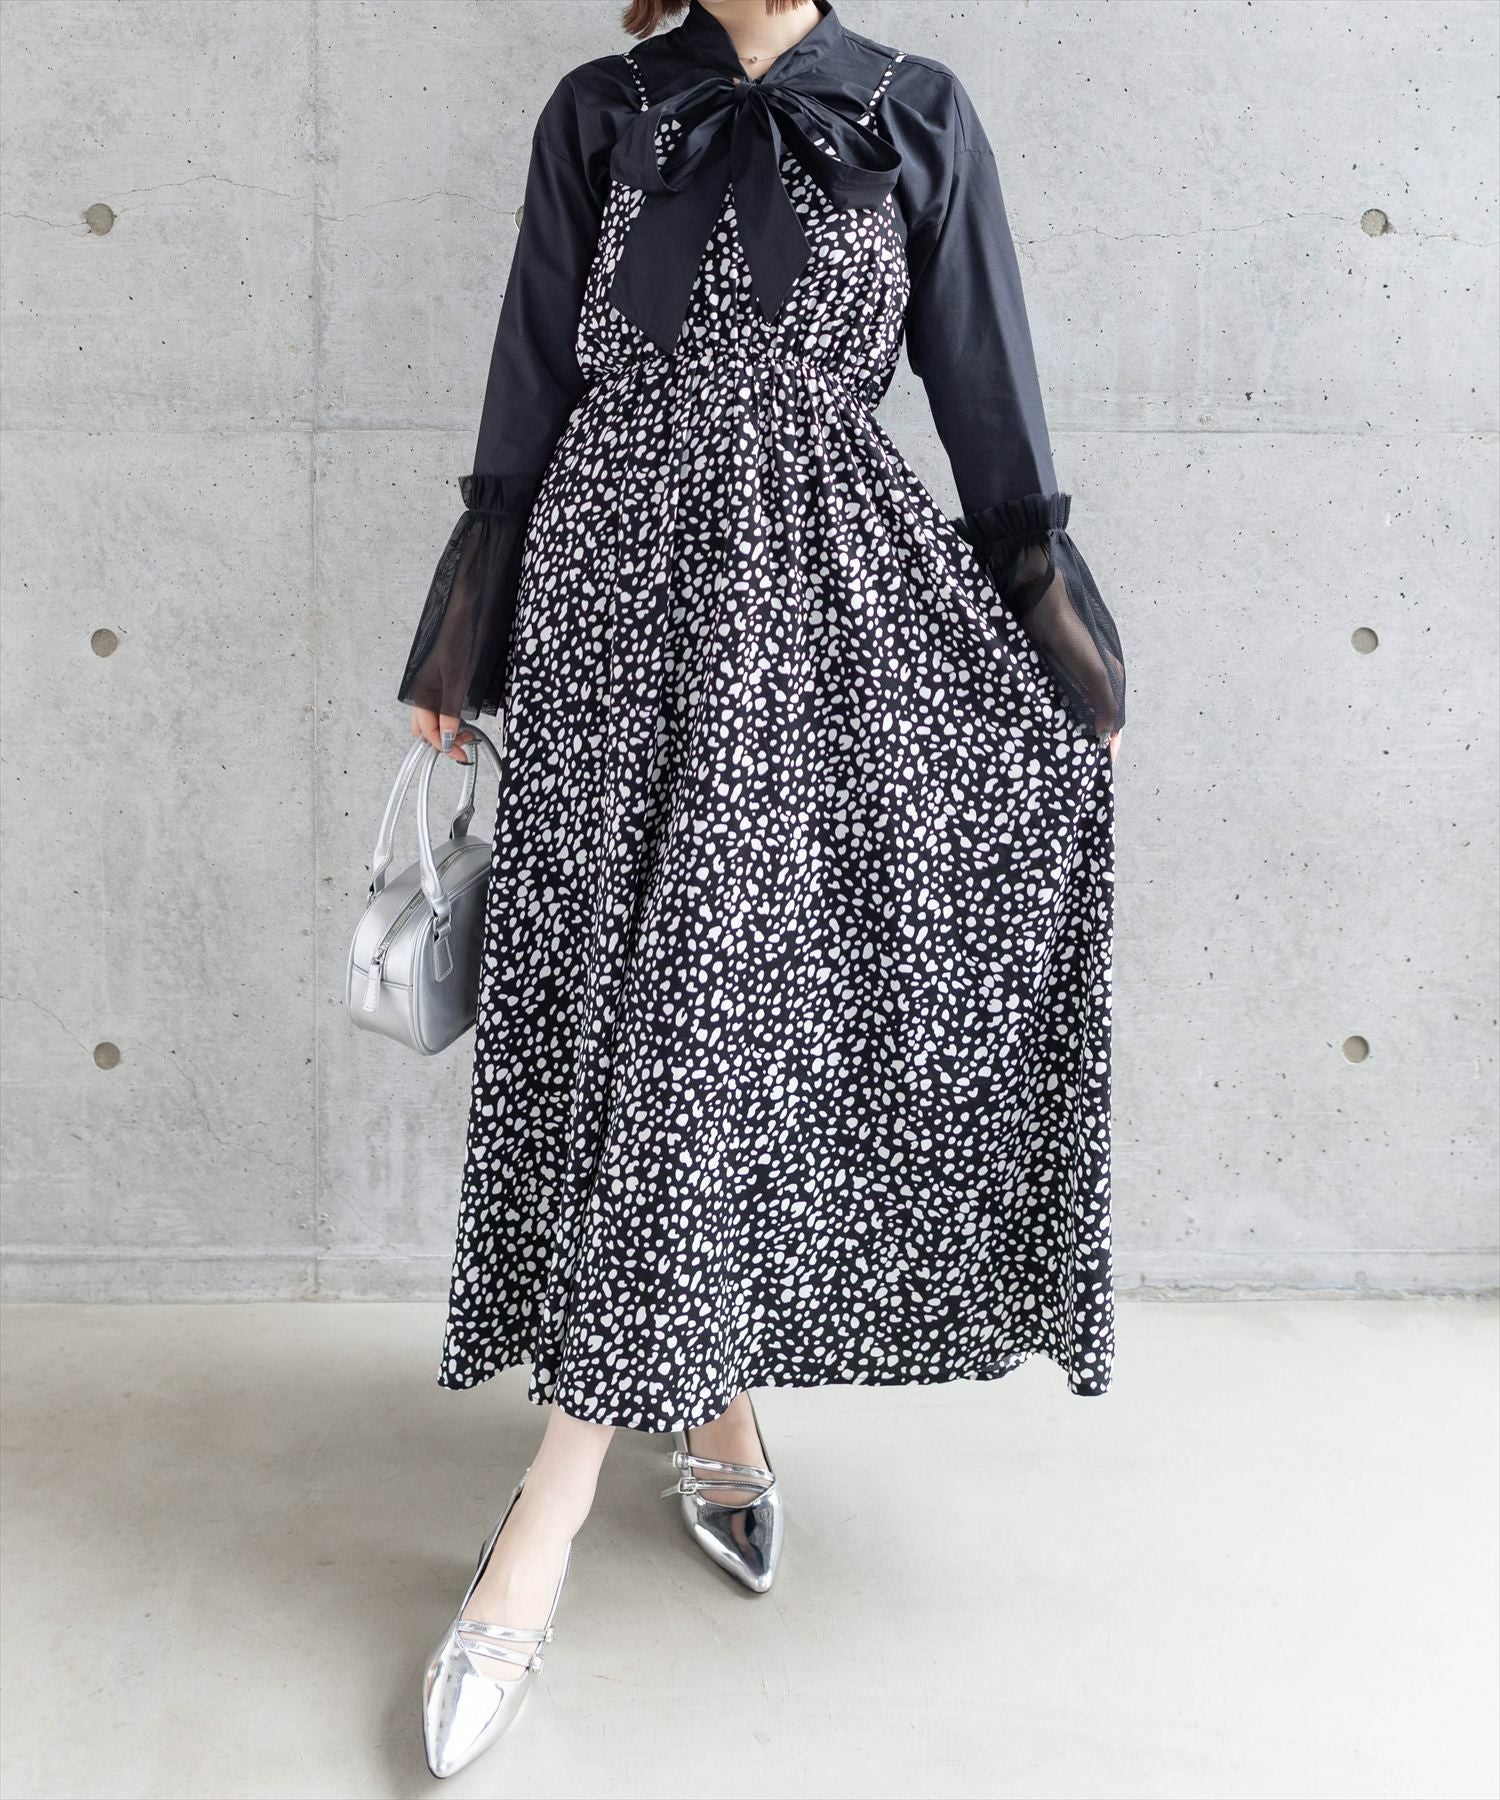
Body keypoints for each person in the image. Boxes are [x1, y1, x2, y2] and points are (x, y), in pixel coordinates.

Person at [397, 0, 1126, 1777]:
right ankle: (710, 1402)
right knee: (636, 1023)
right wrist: (467, 627)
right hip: (612, 602)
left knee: (716, 1023)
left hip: (819, 608)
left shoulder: (917, 113)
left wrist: (1056, 630)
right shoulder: (599, 109)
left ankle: (546, 1517)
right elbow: (532, 370)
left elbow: (985, 388)